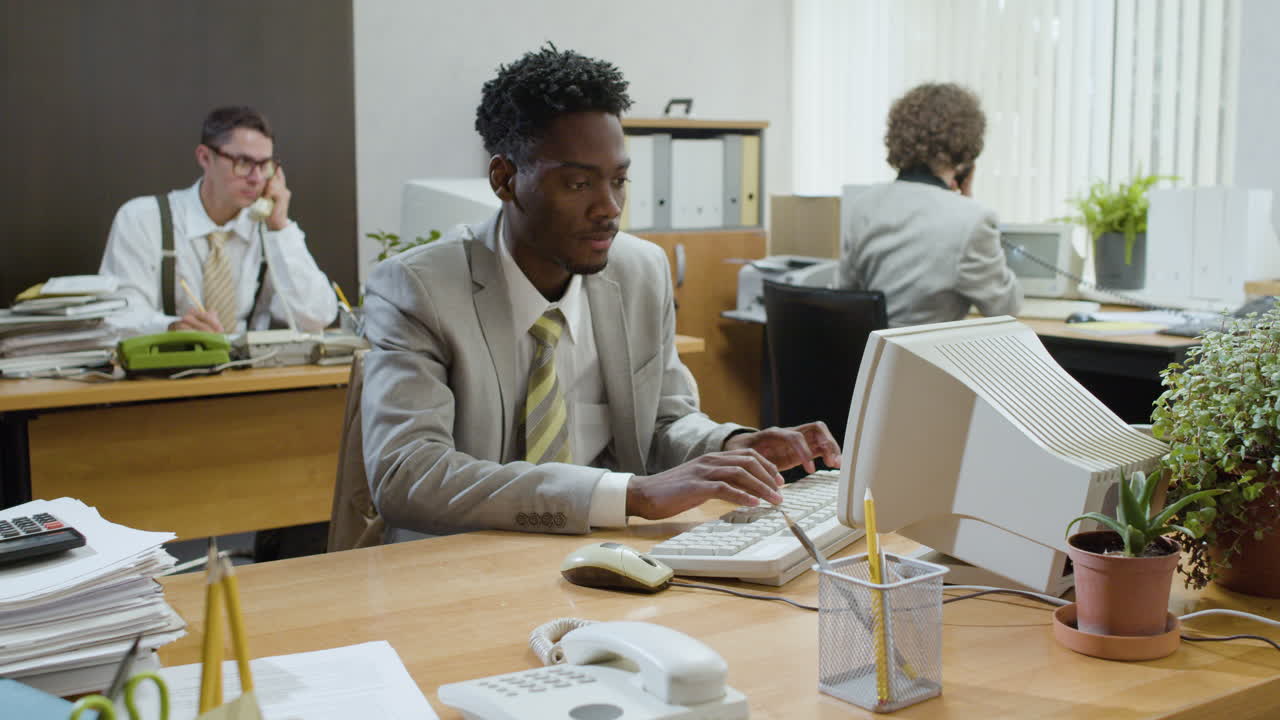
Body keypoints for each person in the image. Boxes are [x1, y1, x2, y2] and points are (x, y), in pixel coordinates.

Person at [360, 46, 841, 538]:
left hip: (602, 558)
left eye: (618, 180)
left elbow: (663, 421)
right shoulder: (419, 290)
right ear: (505, 179)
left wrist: (732, 444)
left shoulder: (641, 271)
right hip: (454, 568)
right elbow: (407, 475)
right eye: (577, 184)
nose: (608, 208)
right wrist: (628, 494)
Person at [99, 106, 337, 336]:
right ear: (205, 157)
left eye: (265, 165)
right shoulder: (142, 218)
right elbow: (116, 318)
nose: (255, 178)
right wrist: (171, 328)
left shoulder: (267, 231)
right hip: (163, 373)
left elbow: (316, 317)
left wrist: (280, 228)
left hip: (250, 374)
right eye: (243, 163)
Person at [836, 83, 1021, 327]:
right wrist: (966, 204)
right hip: (925, 362)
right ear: (966, 150)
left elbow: (844, 295)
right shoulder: (972, 219)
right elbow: (1005, 308)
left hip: (869, 361)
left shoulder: (863, 206)